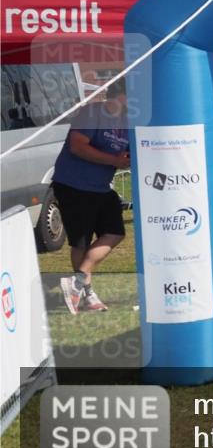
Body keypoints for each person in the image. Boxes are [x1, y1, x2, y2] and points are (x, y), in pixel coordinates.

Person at [52, 78, 130, 314]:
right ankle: (87, 294)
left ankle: (77, 281)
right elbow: (78, 146)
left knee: (116, 232)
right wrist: (115, 161)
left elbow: (130, 152)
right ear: (122, 96)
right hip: (73, 185)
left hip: (100, 187)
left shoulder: (128, 121)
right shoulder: (91, 112)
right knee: (81, 242)